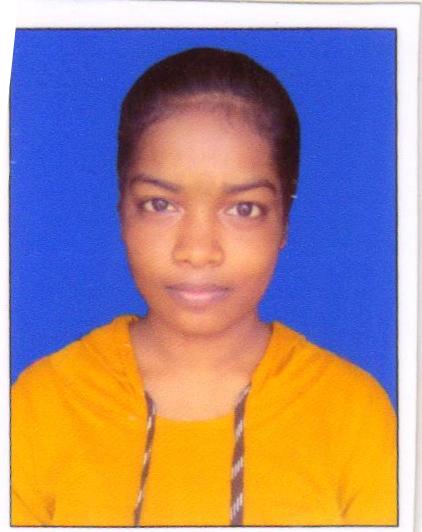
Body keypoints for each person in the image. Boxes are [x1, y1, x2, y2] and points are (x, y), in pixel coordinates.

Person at [11, 47, 396, 526]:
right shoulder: (41, 405)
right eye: (160, 204)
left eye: (243, 209)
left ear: (284, 222)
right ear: (121, 210)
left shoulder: (352, 414)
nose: (197, 250)